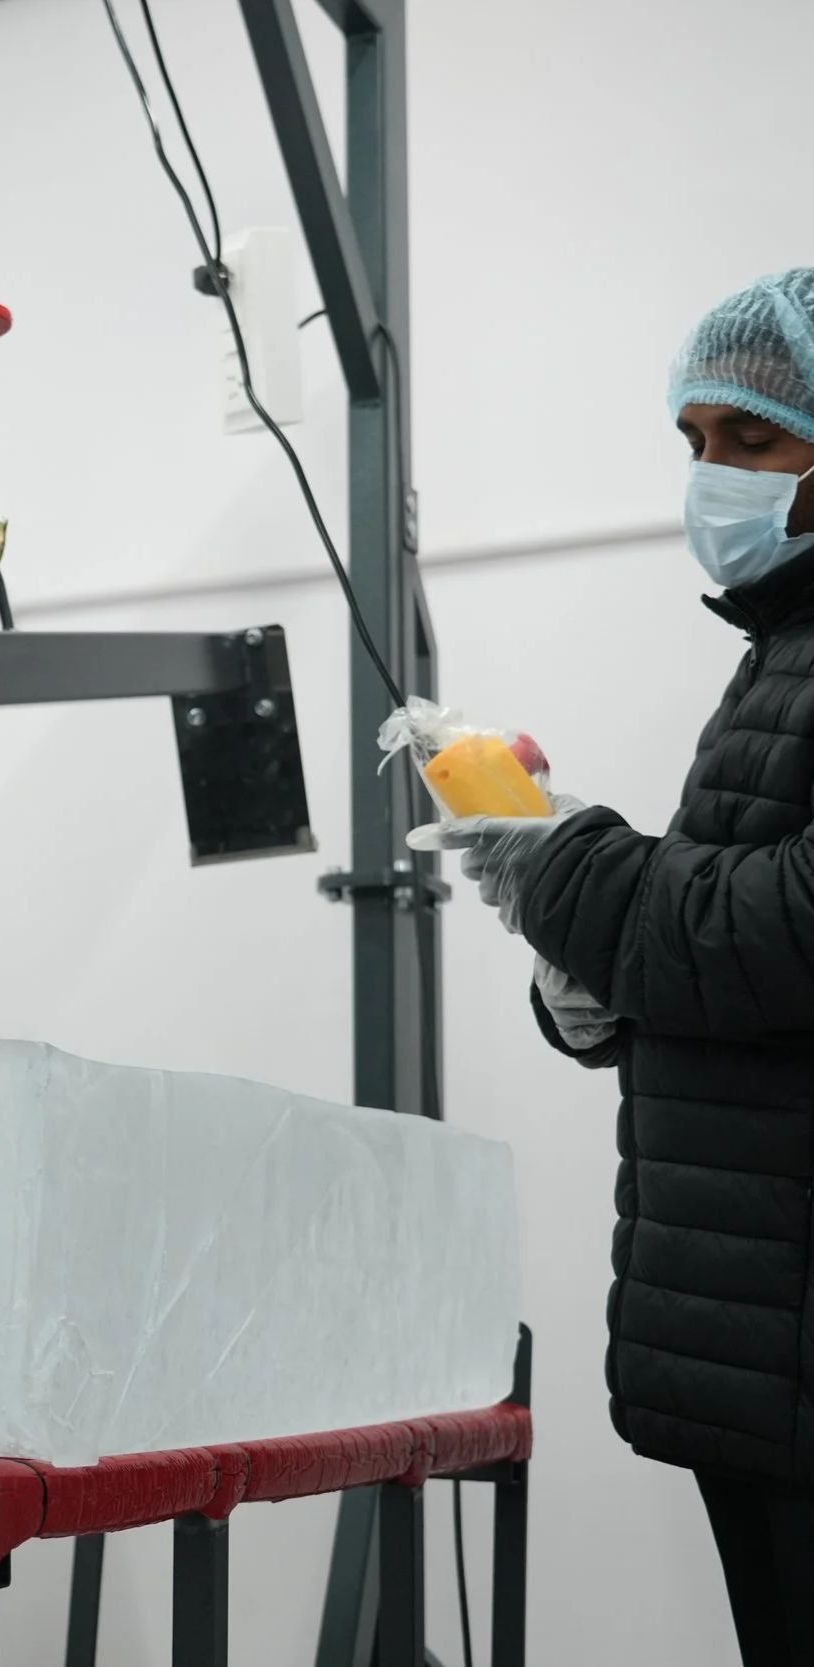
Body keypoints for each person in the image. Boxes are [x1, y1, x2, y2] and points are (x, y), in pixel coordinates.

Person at [425, 267, 814, 1667]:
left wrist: (563, 867)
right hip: (754, 1344)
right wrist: (579, 963)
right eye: (696, 441)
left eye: (754, 440)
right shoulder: (782, 650)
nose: (712, 477)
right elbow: (727, 953)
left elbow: (784, 929)